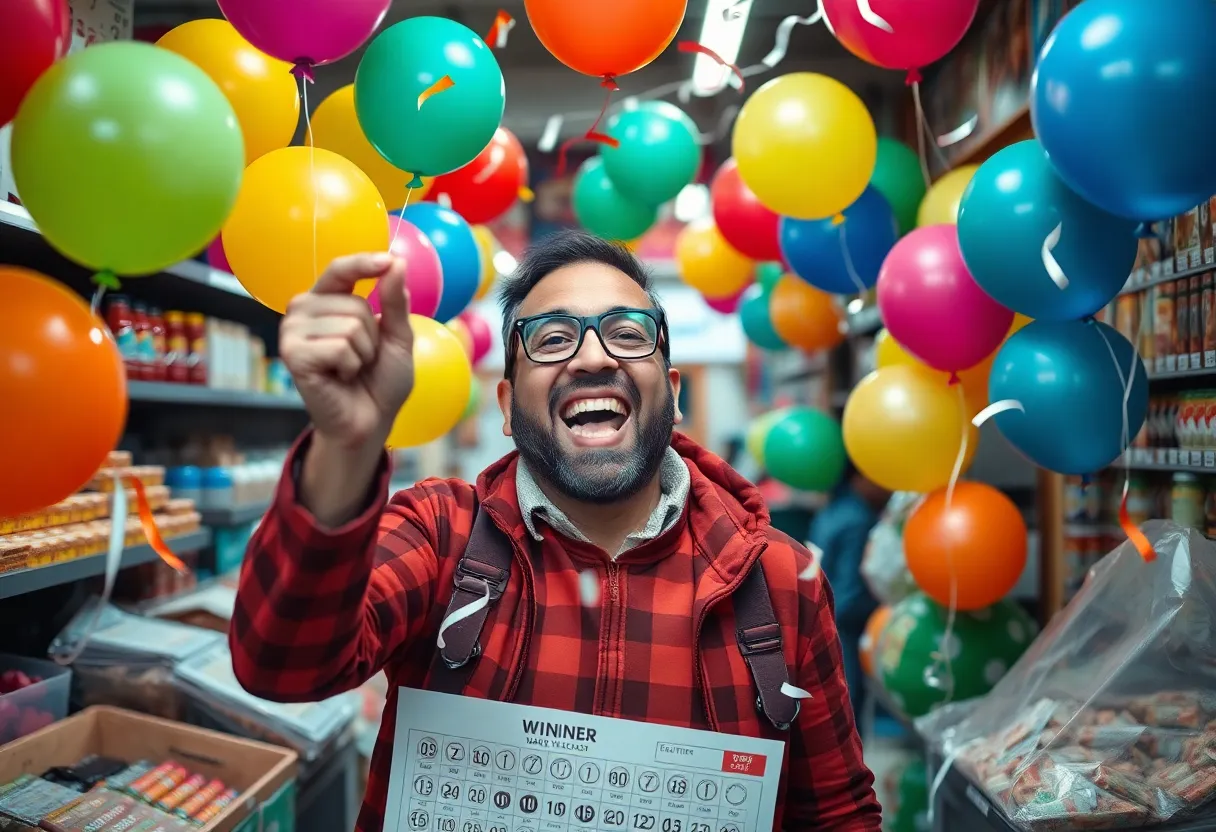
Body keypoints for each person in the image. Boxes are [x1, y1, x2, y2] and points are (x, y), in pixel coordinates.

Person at [229, 230, 882, 832]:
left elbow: (836, 813)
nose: (593, 356)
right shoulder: (440, 534)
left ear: (674, 393)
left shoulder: (778, 579)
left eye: (628, 333)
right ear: (509, 406)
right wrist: (348, 446)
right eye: (550, 338)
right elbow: (282, 666)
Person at [807, 463, 891, 719]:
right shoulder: (859, 520)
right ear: (860, 477)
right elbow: (849, 593)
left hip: (817, 616)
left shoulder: (831, 511)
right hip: (843, 628)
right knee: (846, 708)